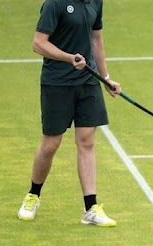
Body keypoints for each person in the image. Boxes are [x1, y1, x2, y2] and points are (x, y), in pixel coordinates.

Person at [18, 0, 121, 227]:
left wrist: (105, 77)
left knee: (86, 141)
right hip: (57, 83)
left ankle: (90, 208)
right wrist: (68, 57)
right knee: (51, 144)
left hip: (87, 82)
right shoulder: (55, 4)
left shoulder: (95, 1)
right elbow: (38, 43)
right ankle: (33, 196)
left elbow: (96, 39)